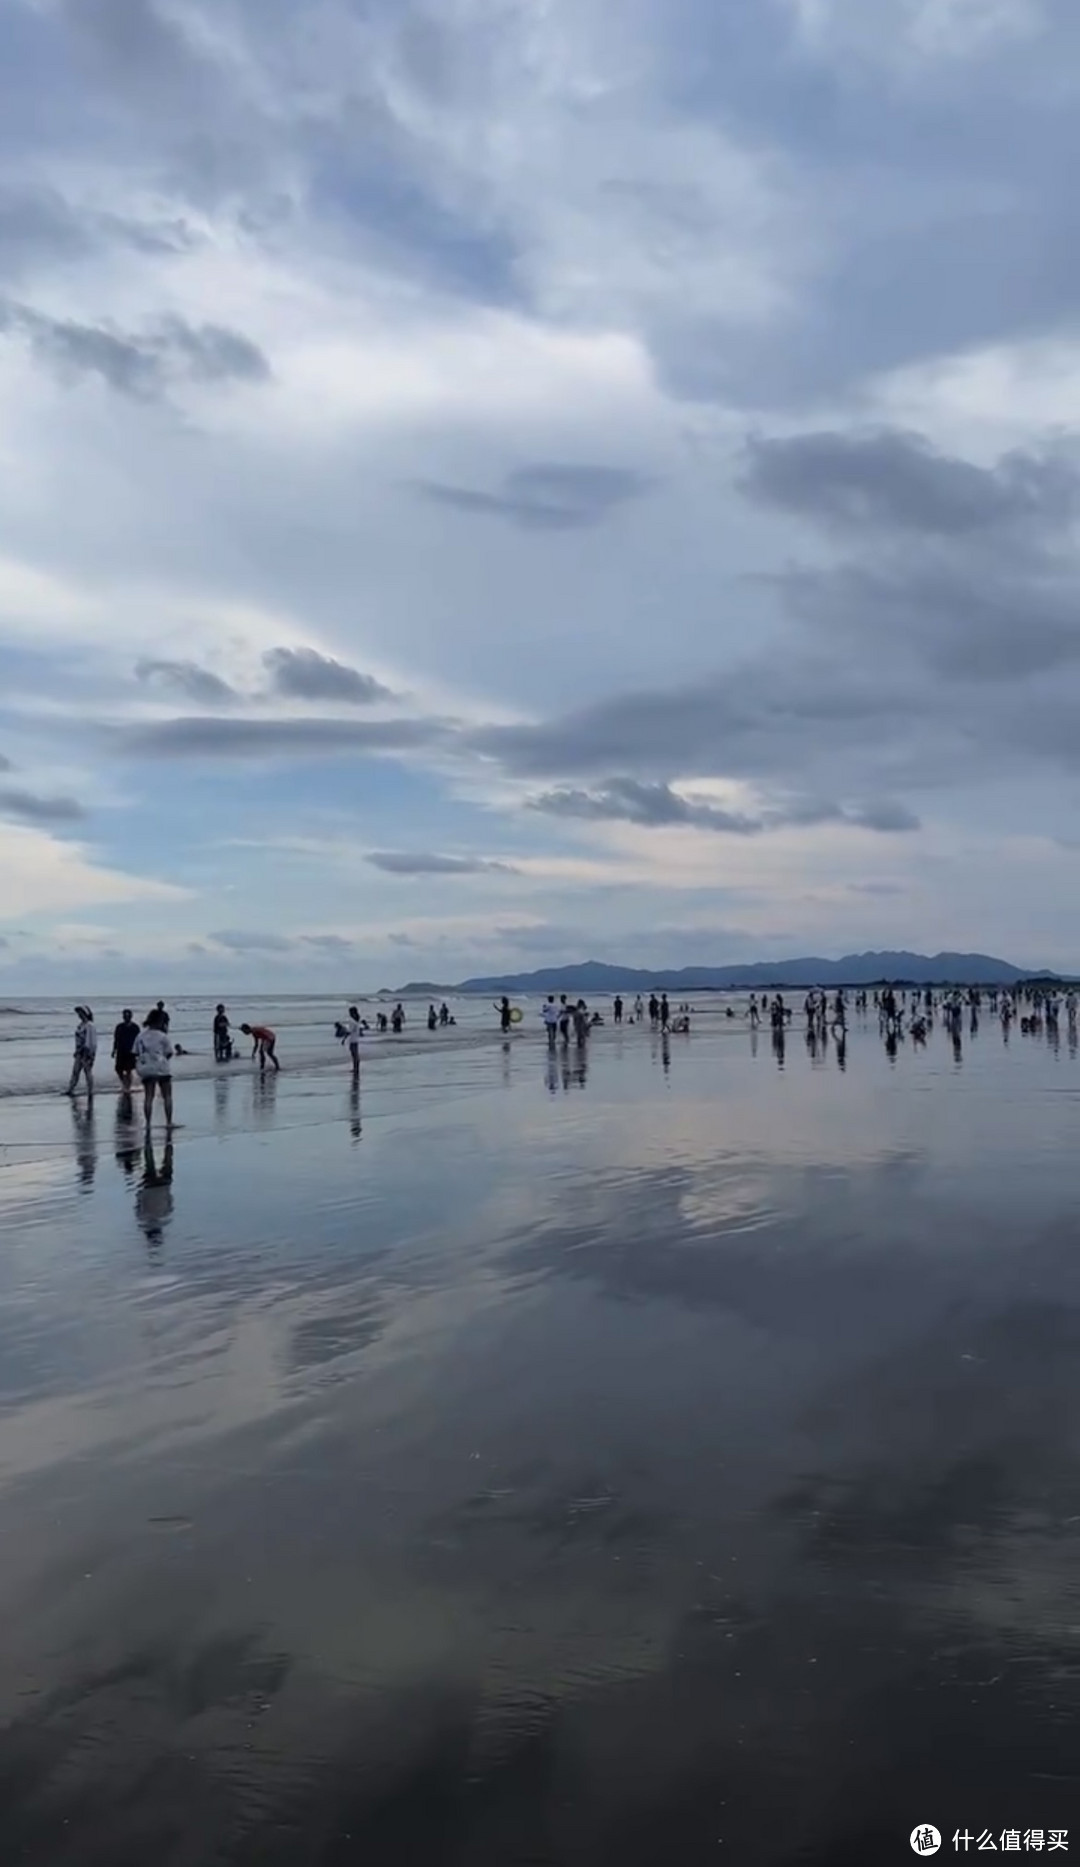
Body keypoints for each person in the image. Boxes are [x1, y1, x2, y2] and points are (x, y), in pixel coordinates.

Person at [135, 1007, 174, 1130]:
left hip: (146, 1068)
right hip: (161, 1067)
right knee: (167, 1095)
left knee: (148, 1097)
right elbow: (169, 1052)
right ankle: (168, 1121)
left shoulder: (140, 1036)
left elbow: (135, 1052)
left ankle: (148, 1123)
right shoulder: (162, 1036)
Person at [66, 1006, 97, 1097]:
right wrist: (77, 1050)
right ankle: (71, 1088)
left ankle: (90, 1090)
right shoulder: (80, 1025)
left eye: (80, 1013)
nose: (79, 1015)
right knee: (75, 1071)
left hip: (87, 1052)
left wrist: (88, 1052)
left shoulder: (90, 1026)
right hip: (79, 1052)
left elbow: (91, 1040)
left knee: (87, 1072)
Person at [112, 1008, 140, 1091]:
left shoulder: (135, 1027)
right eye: (125, 1016)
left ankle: (128, 1087)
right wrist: (114, 1050)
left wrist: (139, 1051)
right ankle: (124, 1082)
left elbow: (139, 1040)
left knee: (129, 1069)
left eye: (128, 1016)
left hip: (131, 1051)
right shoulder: (119, 1027)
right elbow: (116, 1039)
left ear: (131, 1017)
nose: (126, 1017)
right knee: (118, 1069)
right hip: (121, 1050)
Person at [345, 1005, 364, 1079]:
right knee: (355, 1054)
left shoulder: (352, 1021)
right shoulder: (357, 1020)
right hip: (356, 1039)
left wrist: (344, 1038)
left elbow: (349, 1031)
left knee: (354, 1055)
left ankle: (355, 1068)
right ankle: (356, 1068)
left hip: (352, 1040)